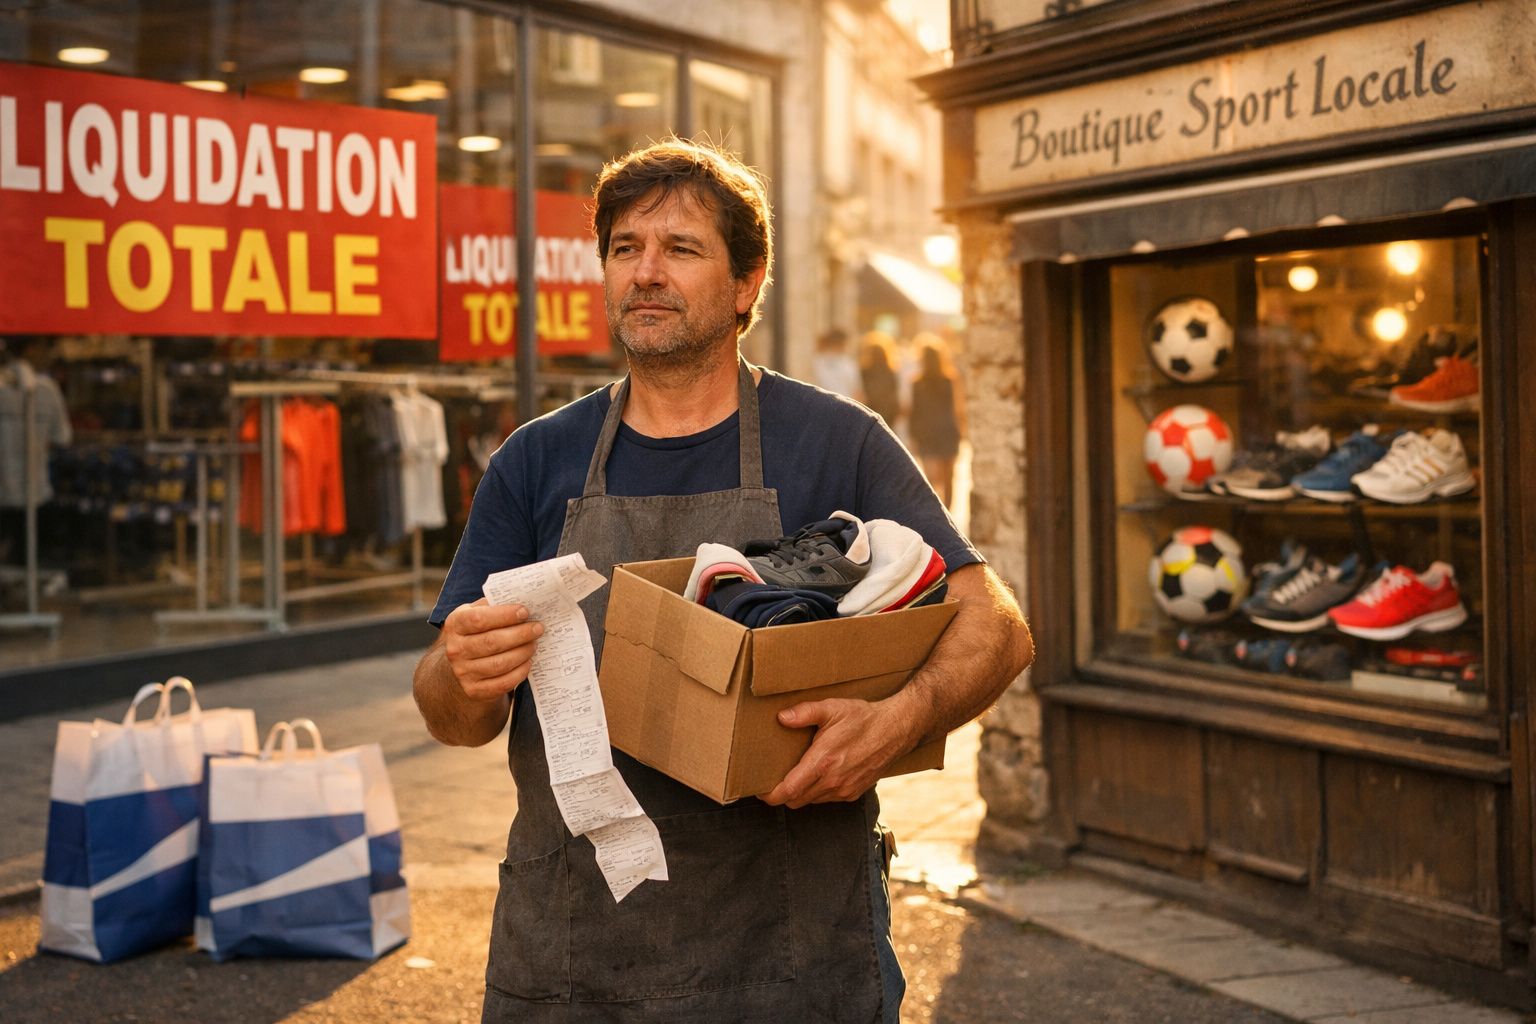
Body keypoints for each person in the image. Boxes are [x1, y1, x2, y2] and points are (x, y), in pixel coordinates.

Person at [412, 138, 1033, 1023]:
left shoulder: (836, 443)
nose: (646, 273)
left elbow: (996, 626)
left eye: (681, 249)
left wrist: (896, 723)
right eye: (626, 249)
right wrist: (459, 672)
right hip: (574, 952)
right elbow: (452, 713)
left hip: (789, 956)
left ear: (748, 284)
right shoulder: (532, 462)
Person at [907, 332, 967, 508]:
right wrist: (962, 429)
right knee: (950, 478)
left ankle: (935, 515)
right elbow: (959, 408)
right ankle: (949, 515)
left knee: (930, 481)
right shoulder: (950, 380)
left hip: (926, 432)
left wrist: (913, 435)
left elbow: (914, 411)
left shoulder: (917, 383)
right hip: (948, 430)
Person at [857, 329, 902, 430]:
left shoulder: (864, 371)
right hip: (888, 414)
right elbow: (894, 394)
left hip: (869, 412)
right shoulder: (891, 372)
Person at [813, 326, 862, 400]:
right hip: (845, 404)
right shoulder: (847, 363)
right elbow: (856, 391)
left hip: (821, 402)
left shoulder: (817, 361)